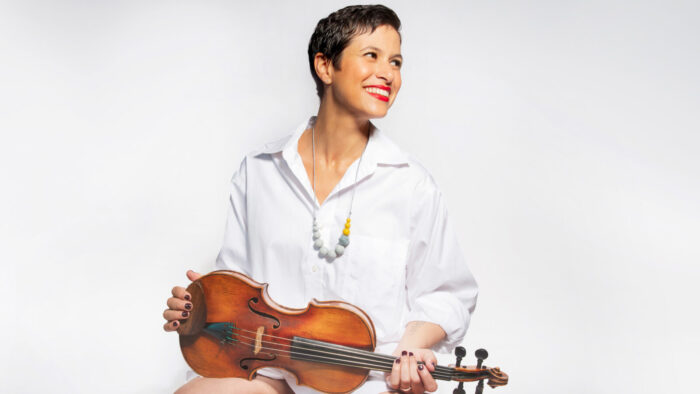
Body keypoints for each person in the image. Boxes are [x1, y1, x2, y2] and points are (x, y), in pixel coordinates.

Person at [163, 5, 478, 393]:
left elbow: (447, 294)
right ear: (325, 66)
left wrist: (412, 348)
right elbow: (237, 287)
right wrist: (198, 308)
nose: (388, 73)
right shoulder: (259, 170)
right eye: (372, 56)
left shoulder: (412, 184)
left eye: (396, 61)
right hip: (272, 375)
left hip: (368, 381)